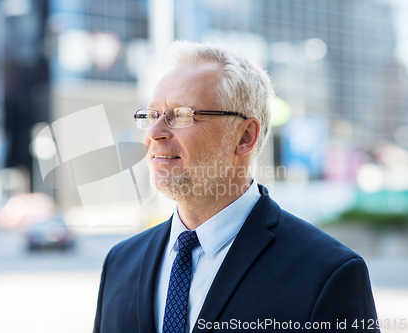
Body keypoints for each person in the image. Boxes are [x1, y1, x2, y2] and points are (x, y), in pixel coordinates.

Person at [93, 41, 378, 333]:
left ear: (244, 137)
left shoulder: (328, 274)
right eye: (152, 115)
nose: (153, 133)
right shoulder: (120, 263)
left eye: (180, 114)